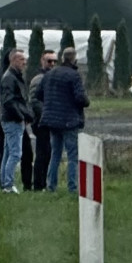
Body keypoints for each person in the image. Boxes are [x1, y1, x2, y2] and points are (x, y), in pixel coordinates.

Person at [37, 47, 91, 193]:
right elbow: (80, 97)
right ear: (74, 59)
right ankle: (72, 187)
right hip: (69, 120)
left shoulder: (49, 74)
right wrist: (87, 101)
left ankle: (51, 186)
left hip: (52, 120)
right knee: (72, 155)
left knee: (55, 154)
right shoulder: (74, 75)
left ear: (62, 58)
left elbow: (38, 94)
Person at [0, 51, 34, 190]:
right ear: (13, 60)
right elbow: (10, 101)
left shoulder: (13, 76)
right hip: (12, 120)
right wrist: (22, 116)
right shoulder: (10, 78)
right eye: (22, 59)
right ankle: (9, 185)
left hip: (10, 119)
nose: (24, 62)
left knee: (8, 152)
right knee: (15, 154)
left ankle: (5, 183)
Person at [28, 50, 58, 191]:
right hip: (41, 122)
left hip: (49, 121)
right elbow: (34, 101)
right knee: (42, 153)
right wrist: (46, 116)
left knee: (49, 153)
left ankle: (44, 183)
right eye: (49, 61)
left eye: (54, 61)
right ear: (42, 61)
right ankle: (39, 184)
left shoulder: (51, 78)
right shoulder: (39, 79)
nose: (52, 64)